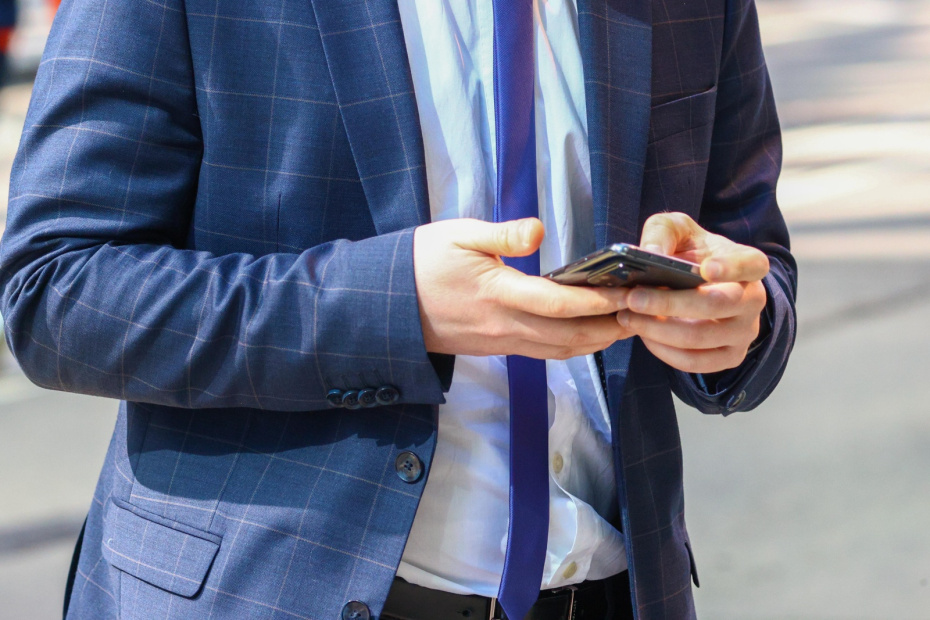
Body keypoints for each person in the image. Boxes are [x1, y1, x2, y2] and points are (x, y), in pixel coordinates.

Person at [0, 0, 796, 618]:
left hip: (611, 590)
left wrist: (739, 320)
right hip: (274, 590)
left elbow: (755, 255)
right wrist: (397, 307)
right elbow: (55, 288)